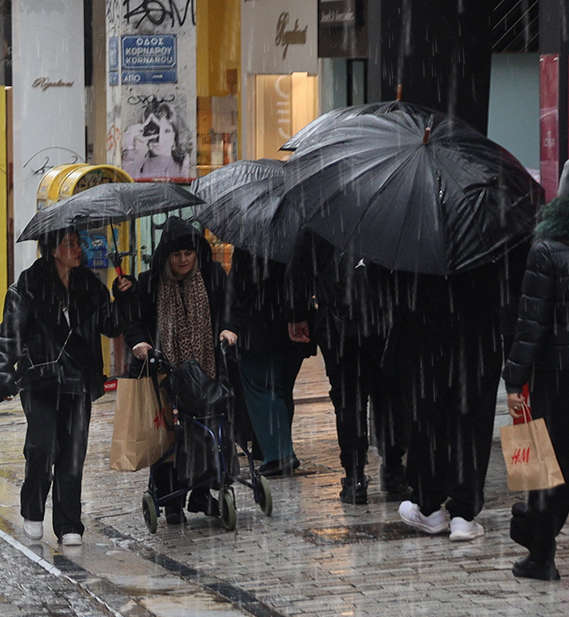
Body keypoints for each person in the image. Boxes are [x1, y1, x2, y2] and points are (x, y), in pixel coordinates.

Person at [0, 228, 127, 546]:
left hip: (78, 383)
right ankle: (33, 509)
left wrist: (123, 296)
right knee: (42, 447)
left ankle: (69, 523)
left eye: (78, 244)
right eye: (70, 244)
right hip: (40, 382)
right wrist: (2, 372)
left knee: (72, 454)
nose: (78, 250)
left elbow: (111, 325)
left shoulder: (90, 286)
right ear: (52, 250)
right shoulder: (27, 286)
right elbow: (10, 334)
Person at [391, 246, 524, 542]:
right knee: (472, 421)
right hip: (478, 336)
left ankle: (428, 505)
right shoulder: (488, 223)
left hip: (426, 334)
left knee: (428, 420)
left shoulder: (415, 223)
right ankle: (463, 513)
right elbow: (514, 278)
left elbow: (386, 281)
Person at [116, 218, 237, 523]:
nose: (183, 260)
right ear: (166, 257)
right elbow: (134, 322)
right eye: (176, 255)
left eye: (188, 253)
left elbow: (228, 309)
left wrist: (228, 329)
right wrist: (140, 342)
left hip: (205, 372)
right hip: (164, 372)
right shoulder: (149, 282)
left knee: (205, 430)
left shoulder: (211, 276)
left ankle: (201, 494)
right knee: (169, 436)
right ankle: (169, 498)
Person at [288, 232, 409, 504]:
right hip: (382, 321)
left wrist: (298, 314)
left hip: (338, 323)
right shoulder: (388, 205)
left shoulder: (322, 213)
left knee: (349, 401)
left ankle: (354, 477)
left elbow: (299, 270)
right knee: (389, 395)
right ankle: (392, 469)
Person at [503, 195, 569, 580]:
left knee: (540, 467)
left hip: (556, 376)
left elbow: (531, 324)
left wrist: (514, 379)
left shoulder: (545, 251)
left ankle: (539, 551)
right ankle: (533, 532)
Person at [228, 248, 314, 477]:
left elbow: (237, 286)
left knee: (263, 389)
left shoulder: (250, 242)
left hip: (259, 328)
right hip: (292, 325)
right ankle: (270, 448)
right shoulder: (296, 236)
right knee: (282, 390)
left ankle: (279, 454)